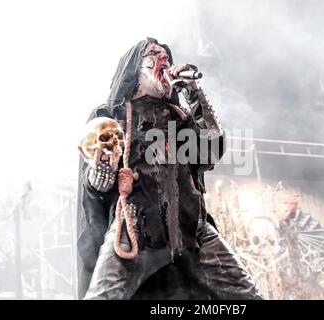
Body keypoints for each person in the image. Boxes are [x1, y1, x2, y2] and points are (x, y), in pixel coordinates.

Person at [76, 37, 262, 300]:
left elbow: (212, 150)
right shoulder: (113, 115)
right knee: (103, 296)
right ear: (134, 69)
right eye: (154, 53)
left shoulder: (180, 117)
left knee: (246, 295)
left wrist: (192, 91)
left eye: (166, 55)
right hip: (135, 226)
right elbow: (98, 187)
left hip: (190, 226)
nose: (164, 59)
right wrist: (104, 165)